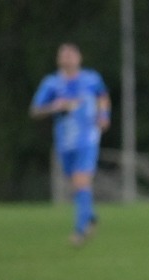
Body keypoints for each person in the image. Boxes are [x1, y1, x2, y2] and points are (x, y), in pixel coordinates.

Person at [29, 43, 111, 246]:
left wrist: (104, 115)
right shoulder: (51, 83)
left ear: (79, 57)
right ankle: (90, 216)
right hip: (65, 142)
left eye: (71, 54)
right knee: (76, 184)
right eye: (64, 54)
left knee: (81, 181)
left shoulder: (91, 78)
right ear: (58, 59)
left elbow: (103, 96)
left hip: (87, 138)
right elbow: (35, 111)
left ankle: (79, 231)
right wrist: (54, 106)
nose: (68, 58)